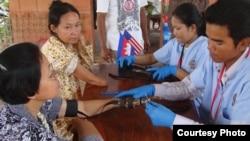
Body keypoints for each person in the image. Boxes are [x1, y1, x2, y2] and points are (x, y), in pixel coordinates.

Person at [115, 0, 250, 126]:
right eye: (209, 39)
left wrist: (174, 121)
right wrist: (153, 89)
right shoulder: (215, 61)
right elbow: (189, 87)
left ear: (243, 43)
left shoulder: (246, 80)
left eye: (218, 42)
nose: (209, 47)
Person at [0, 42, 118, 140]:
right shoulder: (25, 134)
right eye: (51, 75)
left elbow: (82, 108)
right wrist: (84, 124)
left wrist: (118, 101)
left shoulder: (28, 103)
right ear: (29, 90)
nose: (57, 75)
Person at [117, 3, 208, 82]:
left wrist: (175, 71)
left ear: (192, 28)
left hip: (194, 100)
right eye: (173, 28)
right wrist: (132, 59)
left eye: (178, 28)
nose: (174, 32)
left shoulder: (205, 48)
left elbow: (198, 82)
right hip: (175, 91)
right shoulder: (175, 43)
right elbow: (152, 58)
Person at [41, 1, 107, 101]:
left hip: (73, 100)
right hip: (60, 108)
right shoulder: (55, 50)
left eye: (77, 25)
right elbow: (92, 79)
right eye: (68, 27)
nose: (75, 32)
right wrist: (110, 84)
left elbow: (88, 66)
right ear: (54, 28)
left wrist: (81, 45)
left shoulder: (67, 45)